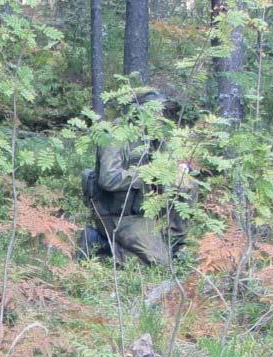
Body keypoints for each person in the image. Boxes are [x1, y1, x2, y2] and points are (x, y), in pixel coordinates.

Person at [80, 91, 191, 265]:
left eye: (160, 111)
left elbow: (165, 166)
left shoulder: (154, 136)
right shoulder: (114, 135)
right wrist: (147, 173)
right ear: (138, 112)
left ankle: (173, 244)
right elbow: (109, 179)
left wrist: (174, 171)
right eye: (154, 111)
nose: (159, 116)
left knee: (186, 182)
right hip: (118, 215)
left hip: (145, 211)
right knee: (160, 263)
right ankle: (99, 242)